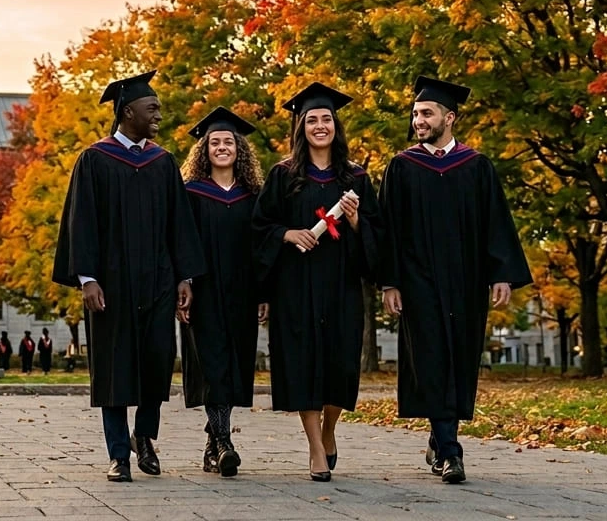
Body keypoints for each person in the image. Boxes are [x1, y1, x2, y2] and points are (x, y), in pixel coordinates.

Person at [52, 70, 204, 483]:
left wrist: (185, 277)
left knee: (156, 362)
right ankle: (119, 454)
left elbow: (179, 224)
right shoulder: (95, 160)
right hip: (112, 284)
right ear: (127, 111)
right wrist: (87, 278)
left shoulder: (162, 162)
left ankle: (146, 436)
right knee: (115, 366)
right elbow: (81, 222)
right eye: (151, 108)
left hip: (157, 279)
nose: (158, 113)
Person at [379, 76, 531, 485]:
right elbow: (388, 229)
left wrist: (502, 273)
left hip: (466, 280)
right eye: (415, 114)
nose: (418, 120)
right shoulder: (402, 166)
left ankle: (439, 435)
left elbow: (495, 223)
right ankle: (450, 450)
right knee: (431, 358)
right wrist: (389, 282)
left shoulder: (477, 166)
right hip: (418, 281)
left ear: (450, 117)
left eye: (426, 113)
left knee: (459, 358)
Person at [252, 85, 381, 482]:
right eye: (312, 120)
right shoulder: (283, 174)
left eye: (326, 119)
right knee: (302, 361)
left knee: (339, 361)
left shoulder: (356, 178)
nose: (320, 126)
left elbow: (380, 235)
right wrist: (288, 235)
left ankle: (329, 430)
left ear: (335, 125)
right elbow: (259, 227)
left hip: (340, 284)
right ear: (301, 127)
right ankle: (314, 447)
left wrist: (357, 221)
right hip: (295, 285)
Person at [180, 107, 268, 478]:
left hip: (243, 293)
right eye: (214, 142)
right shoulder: (190, 193)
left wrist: (264, 293)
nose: (221, 147)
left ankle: (213, 446)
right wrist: (182, 283)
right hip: (204, 292)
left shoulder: (254, 196)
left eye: (228, 142)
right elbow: (180, 242)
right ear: (204, 150)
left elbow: (264, 248)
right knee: (212, 365)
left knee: (231, 366)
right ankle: (225, 442)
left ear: (239, 149)